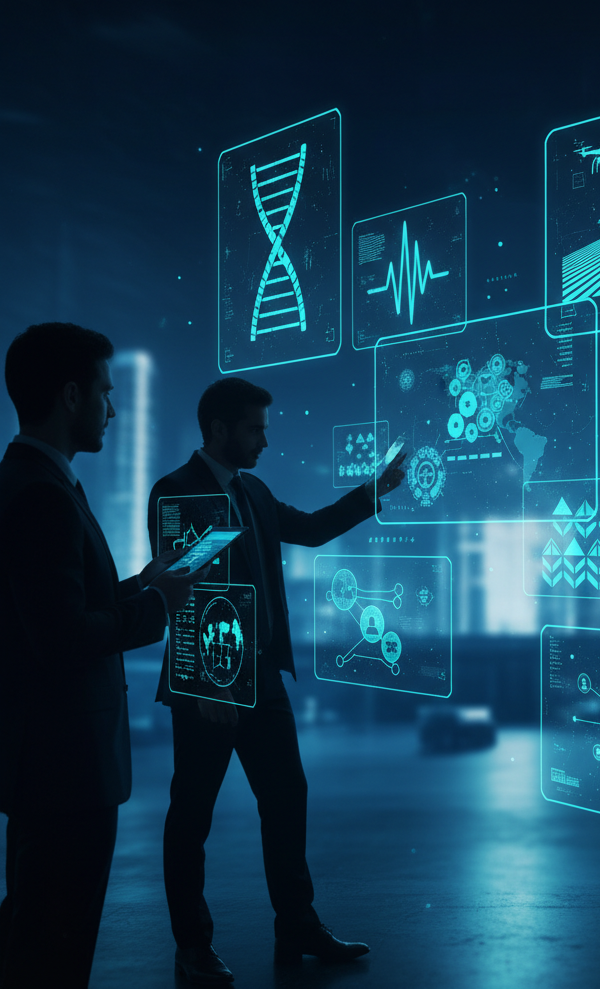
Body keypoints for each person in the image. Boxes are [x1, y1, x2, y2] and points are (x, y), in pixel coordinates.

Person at [148, 377, 406, 985]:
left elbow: (313, 529)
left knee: (287, 797)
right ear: (219, 430)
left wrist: (375, 490)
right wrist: (207, 683)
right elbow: (179, 589)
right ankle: (193, 948)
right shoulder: (175, 491)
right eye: (255, 429)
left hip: (260, 676)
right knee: (192, 815)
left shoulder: (254, 491)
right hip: (208, 678)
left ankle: (297, 924)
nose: (265, 440)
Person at [0, 323, 206, 989]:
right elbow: (63, 638)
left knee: (35, 930)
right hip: (67, 769)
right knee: (55, 950)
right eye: (104, 392)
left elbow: (61, 604)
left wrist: (142, 583)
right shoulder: (43, 496)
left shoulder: (33, 480)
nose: (113, 409)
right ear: (69, 396)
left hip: (47, 764)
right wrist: (160, 606)